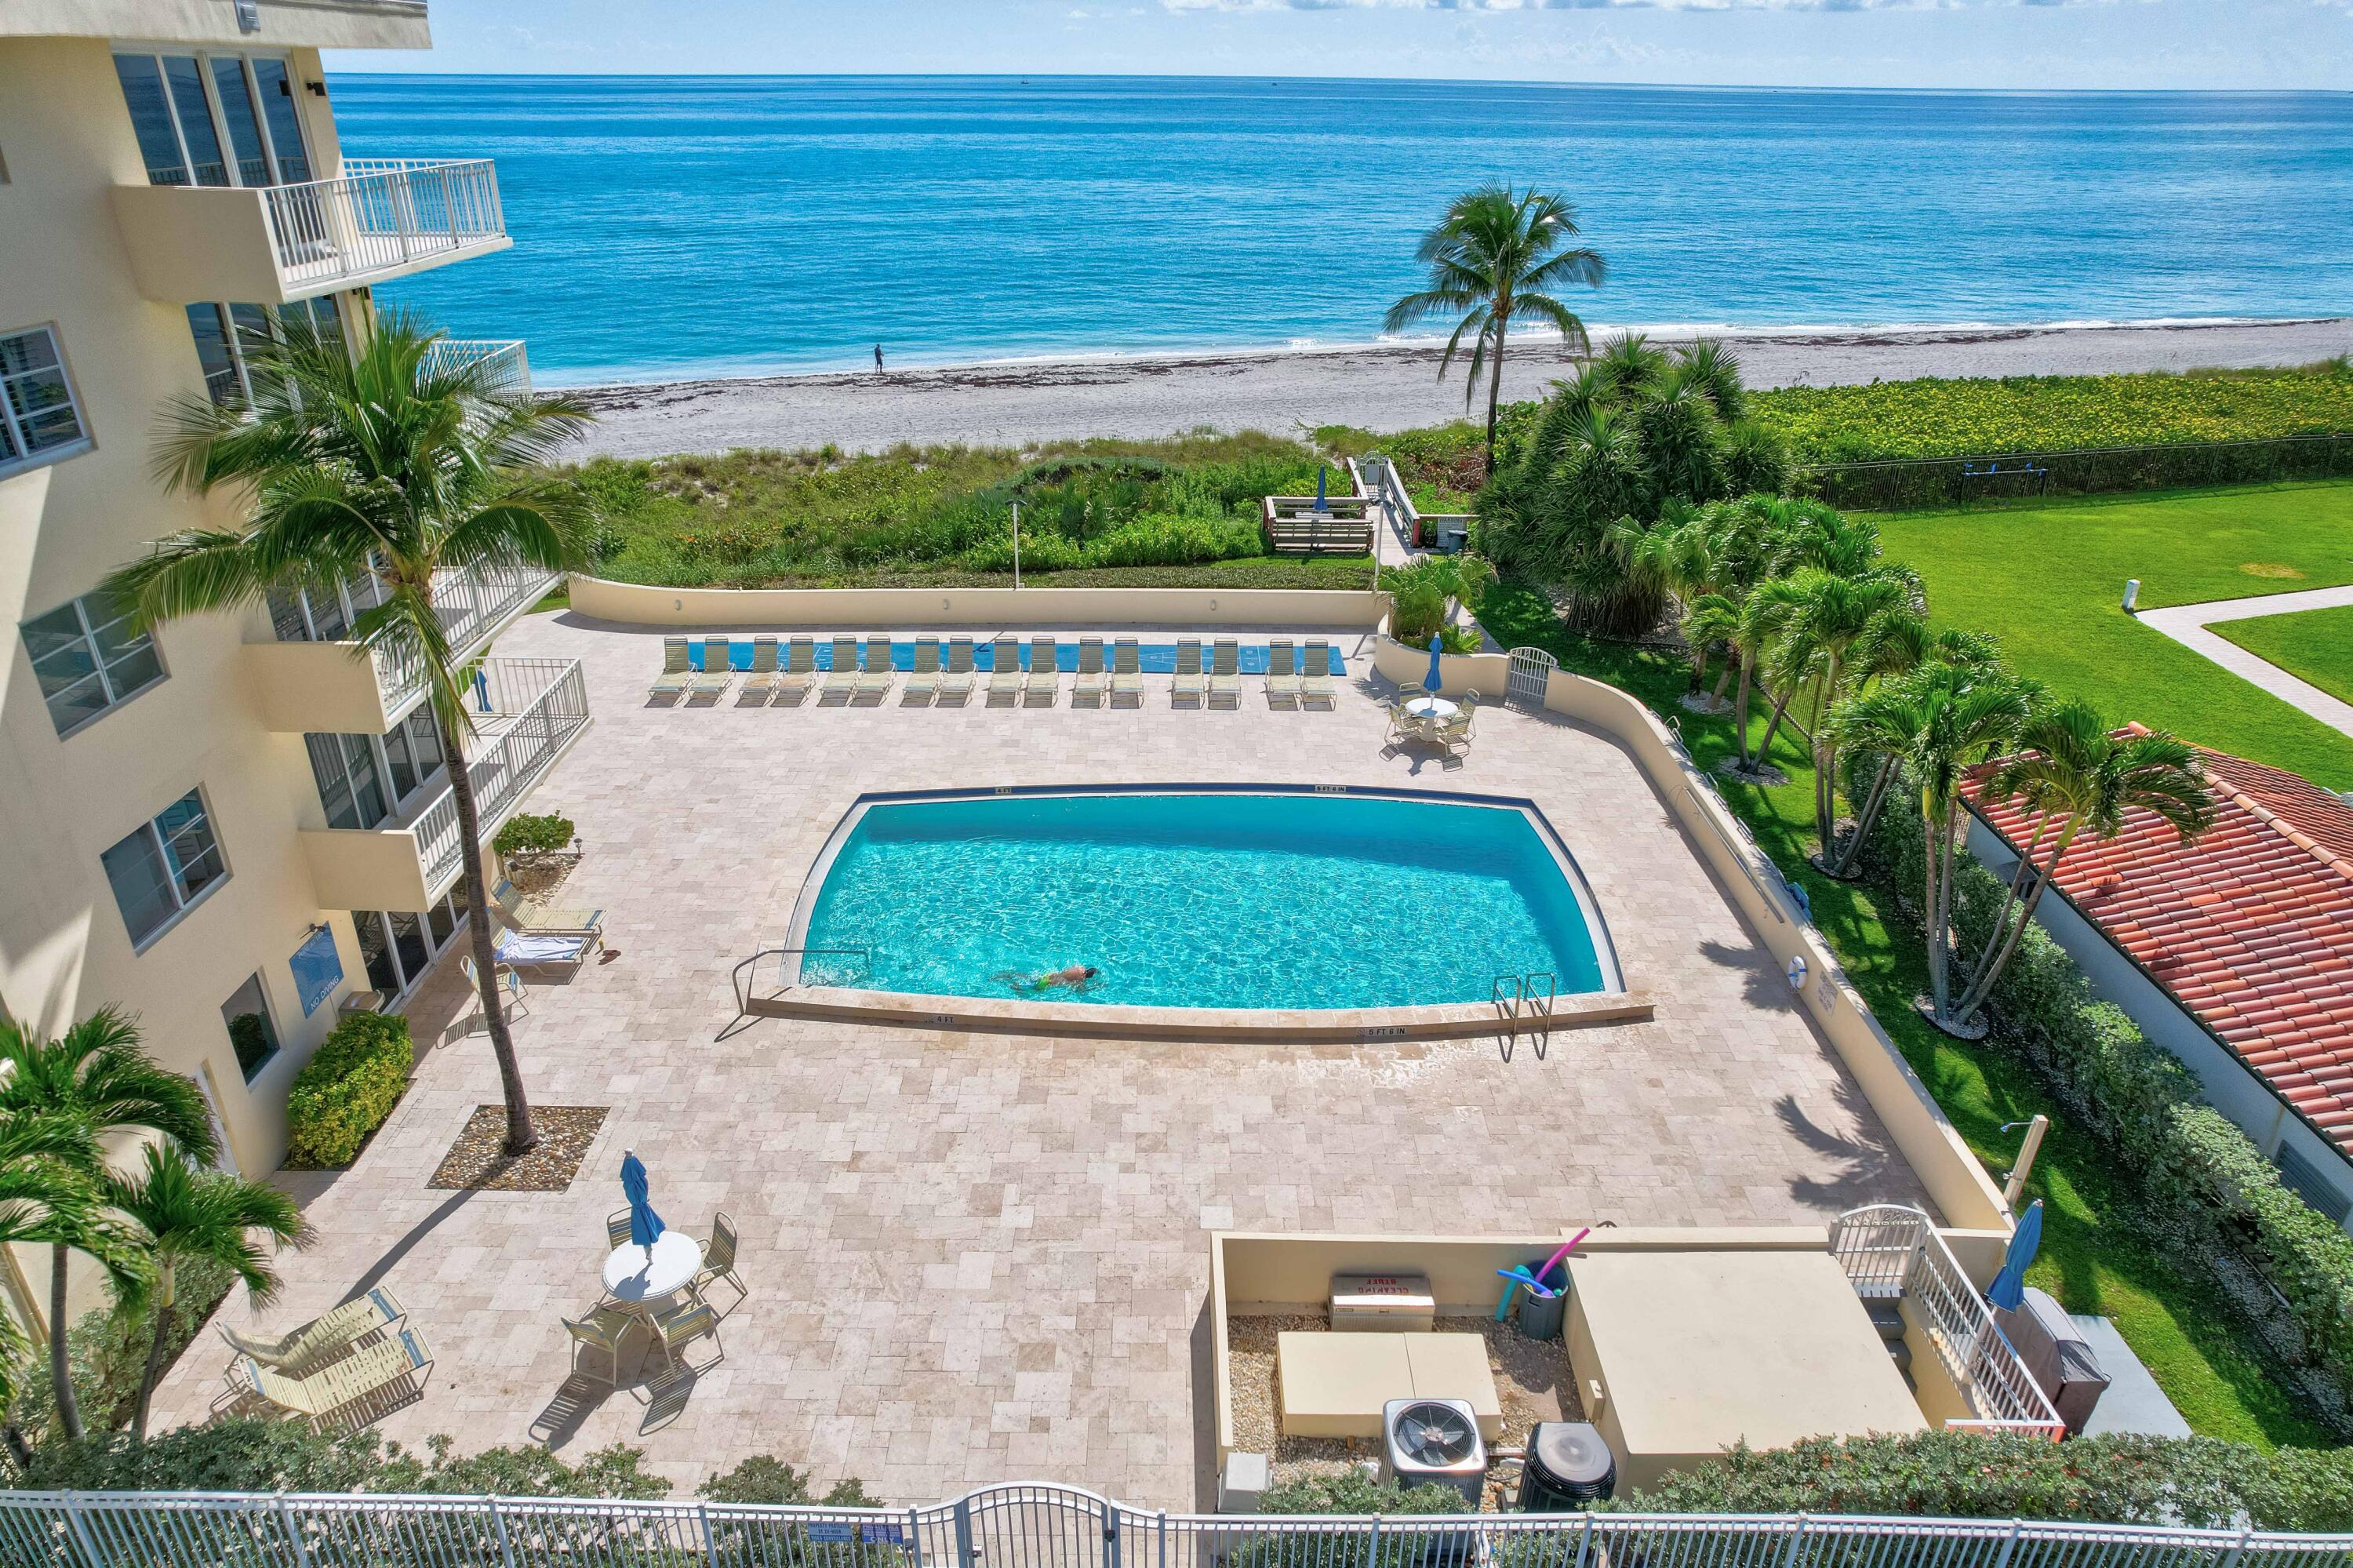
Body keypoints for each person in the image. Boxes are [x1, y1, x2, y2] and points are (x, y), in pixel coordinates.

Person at [1005, 962, 1098, 995]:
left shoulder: (1079, 968)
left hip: (1047, 976)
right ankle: (1016, 988)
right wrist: (1096, 986)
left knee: (1029, 979)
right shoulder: (1080, 980)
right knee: (1031, 989)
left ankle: (1009, 975)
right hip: (1046, 984)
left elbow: (1069, 968)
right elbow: (1080, 991)